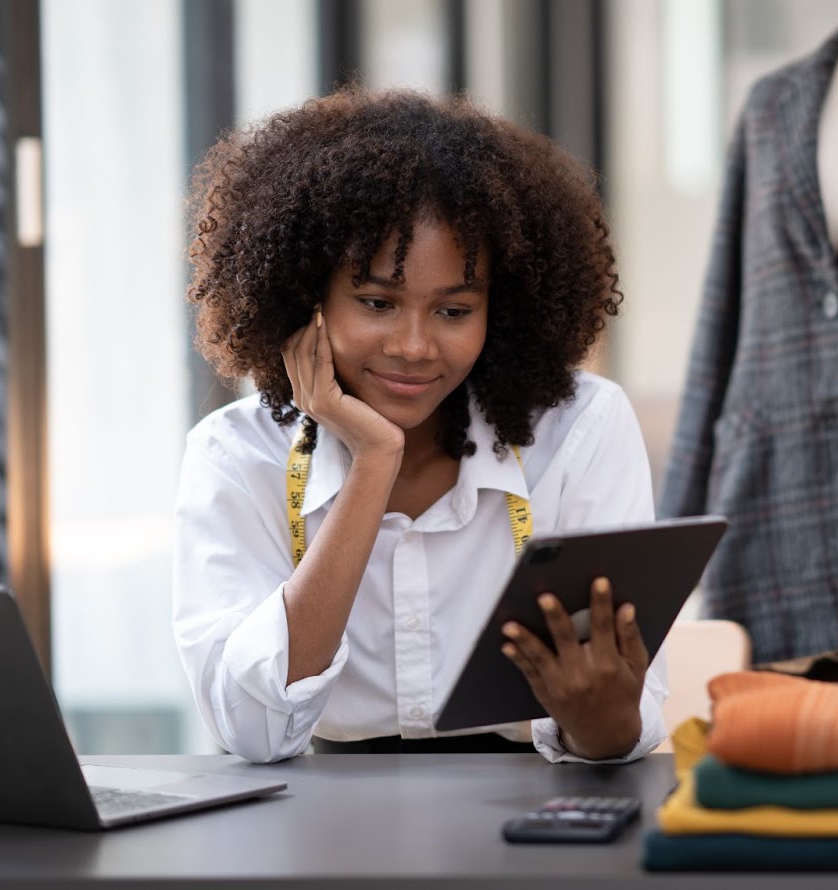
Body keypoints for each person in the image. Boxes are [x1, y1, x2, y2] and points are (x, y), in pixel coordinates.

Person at [172, 87, 665, 764]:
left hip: (532, 821)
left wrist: (605, 726)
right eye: (377, 302)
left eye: (454, 311)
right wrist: (373, 462)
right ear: (305, 296)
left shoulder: (578, 430)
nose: (413, 345)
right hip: (317, 834)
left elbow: (619, 731)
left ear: (503, 310)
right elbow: (253, 733)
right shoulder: (236, 456)